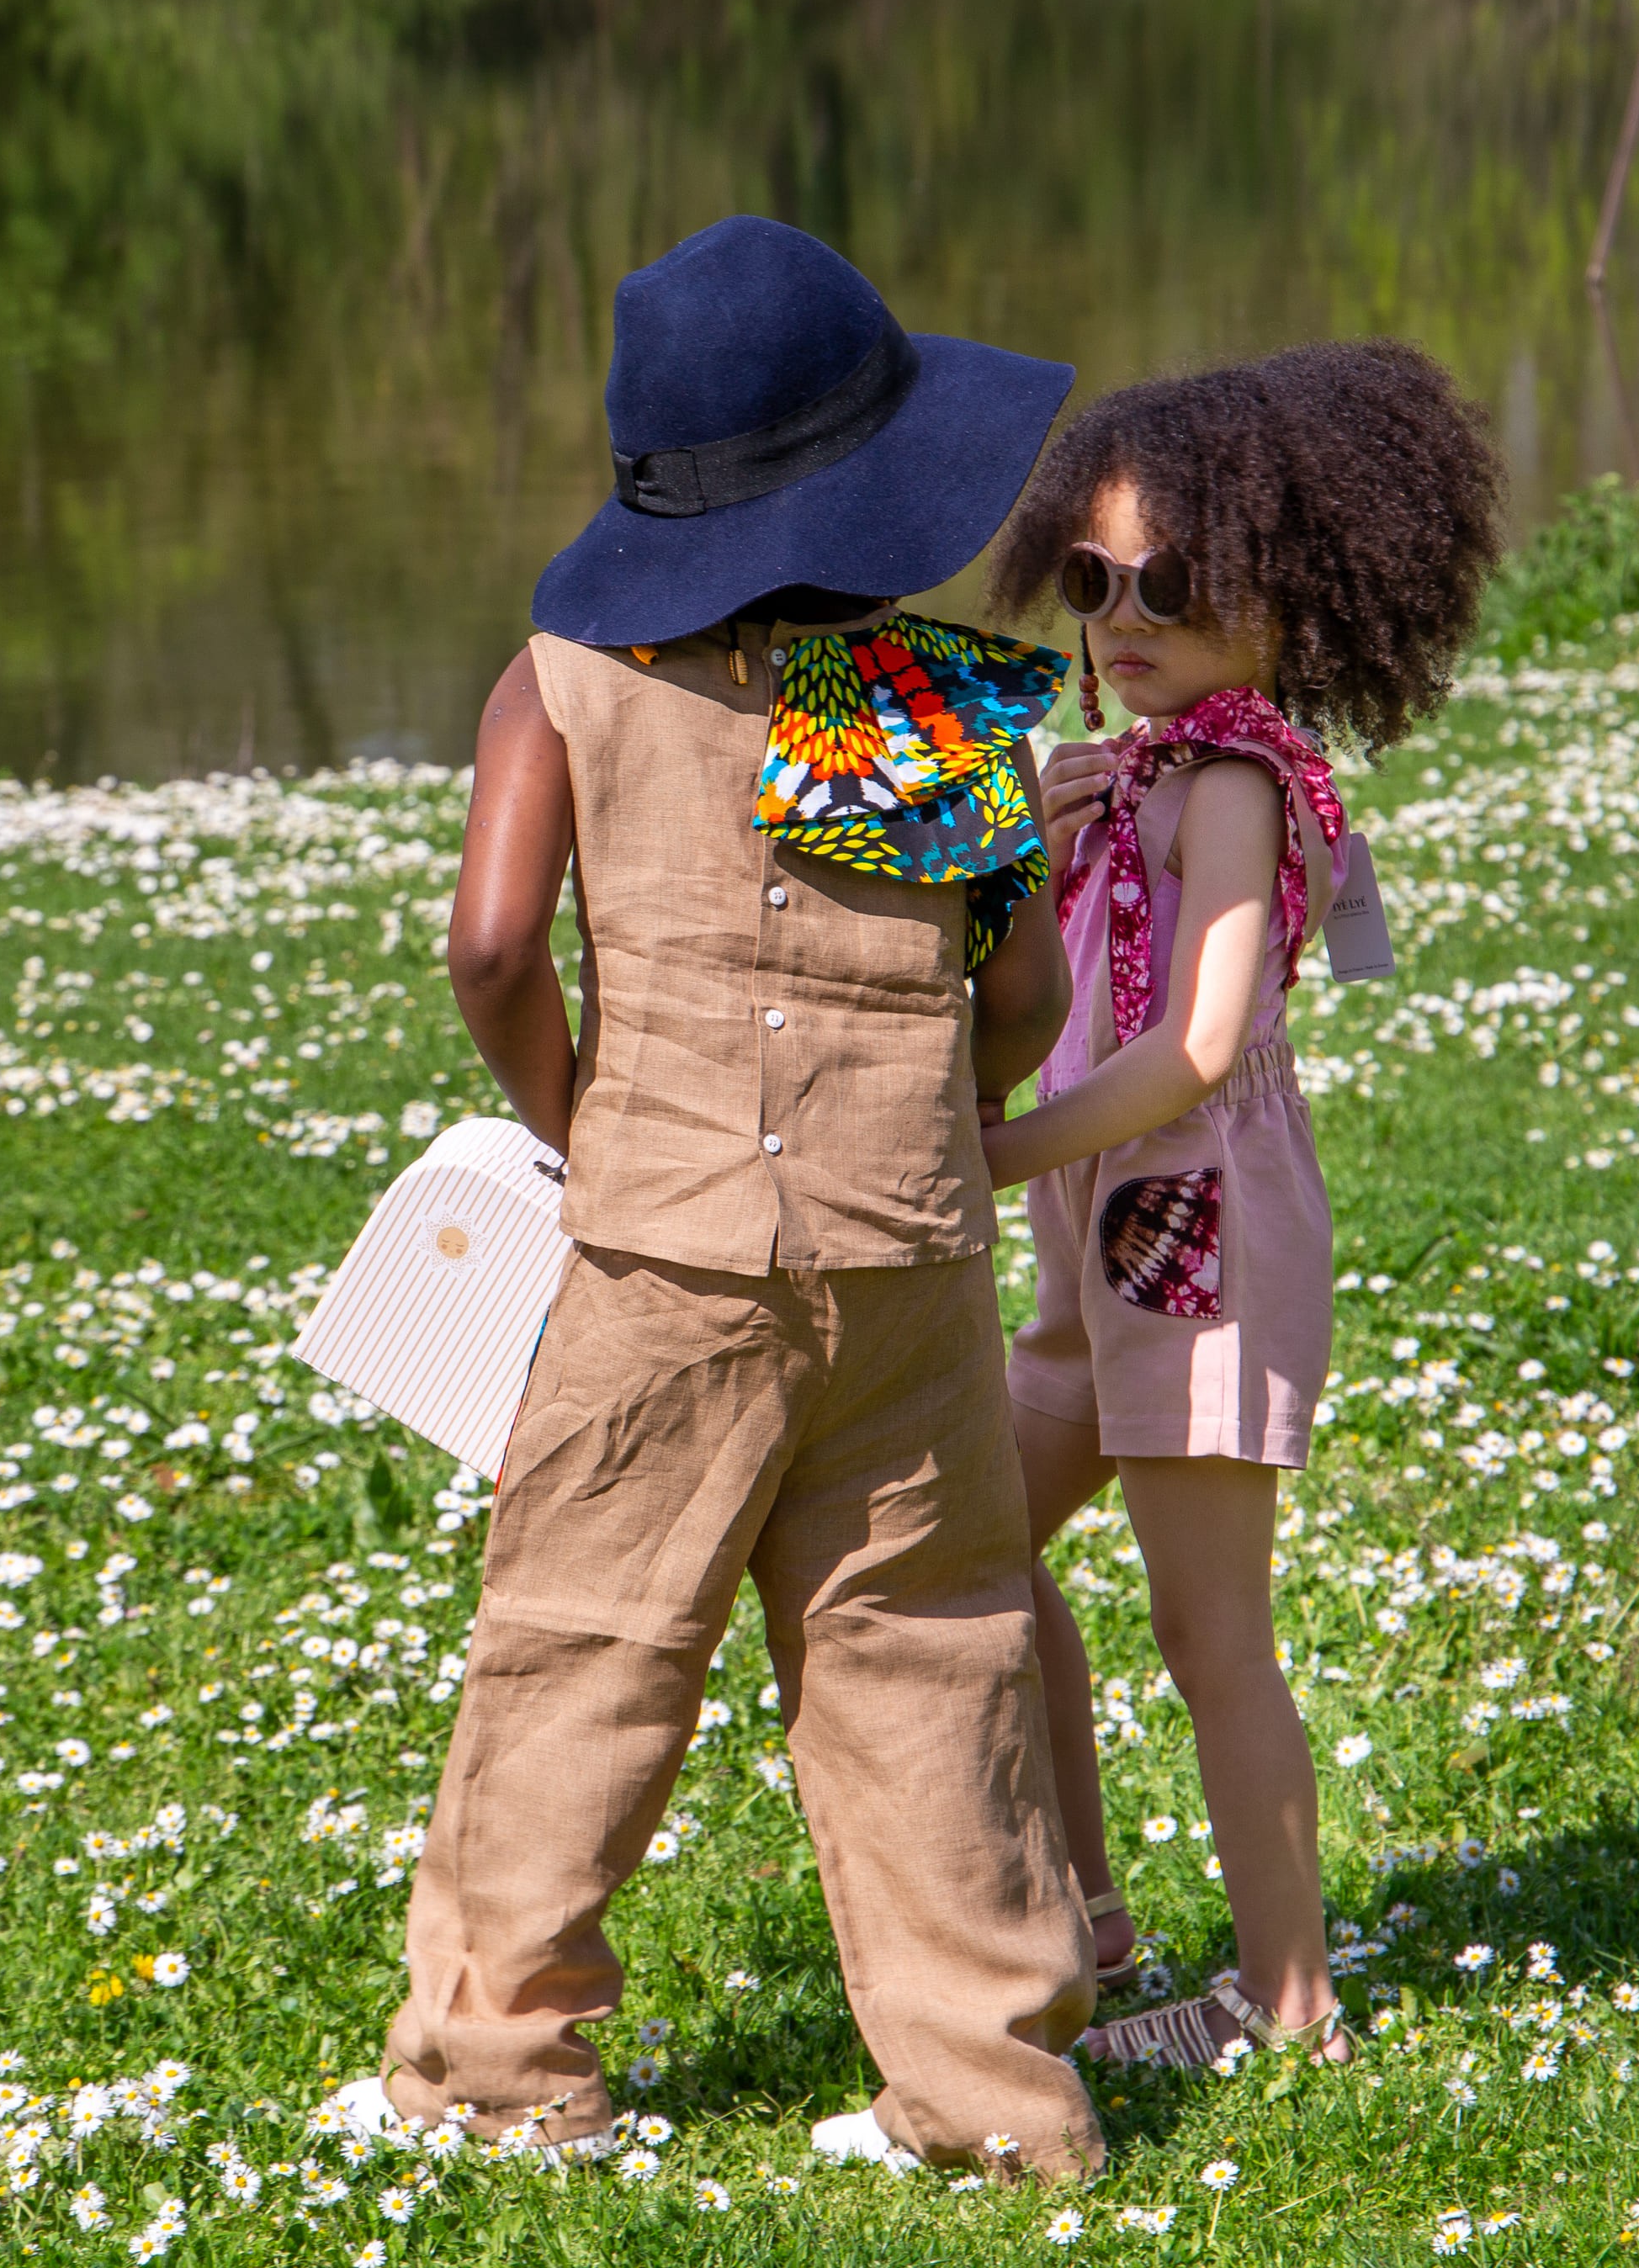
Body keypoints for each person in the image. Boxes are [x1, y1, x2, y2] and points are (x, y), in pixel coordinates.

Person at [319, 215, 1106, 2181]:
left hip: (662, 1251)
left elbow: (494, 943)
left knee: (584, 1637)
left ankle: (500, 2075)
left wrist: (584, 1118)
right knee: (931, 1644)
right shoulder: (928, 693)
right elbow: (1023, 993)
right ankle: (996, 2098)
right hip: (908, 1254)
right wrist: (935, 1105)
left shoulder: (569, 679)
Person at [976, 342, 1505, 2069]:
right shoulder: (1115, 772)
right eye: (1093, 579)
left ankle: (1289, 2005)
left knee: (1216, 1637)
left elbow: (1198, 1048)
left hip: (1189, 1227)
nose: (1122, 619)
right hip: (1095, 1246)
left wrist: (988, 1153)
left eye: (1173, 586)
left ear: (1285, 596)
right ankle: (1083, 1917)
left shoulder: (1230, 784)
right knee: (960, 1540)